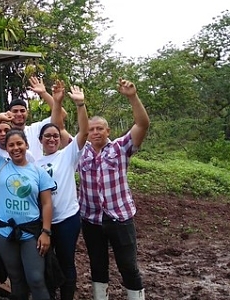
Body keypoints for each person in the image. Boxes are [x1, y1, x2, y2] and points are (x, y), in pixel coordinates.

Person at [79, 78, 150, 300]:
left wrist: (132, 96)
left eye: (100, 128)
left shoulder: (120, 148)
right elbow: (58, 127)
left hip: (119, 217)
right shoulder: (80, 151)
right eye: (91, 129)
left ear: (108, 130)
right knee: (97, 265)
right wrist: (75, 103)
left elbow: (142, 125)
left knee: (128, 265)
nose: (96, 132)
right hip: (91, 219)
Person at [0, 110, 56, 300]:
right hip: (4, 231)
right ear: (6, 147)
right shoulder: (0, 165)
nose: (15, 148)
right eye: (11, 145)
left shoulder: (39, 173)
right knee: (16, 278)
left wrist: (46, 232)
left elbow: (47, 204)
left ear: (26, 145)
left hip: (31, 231)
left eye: (19, 144)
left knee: (36, 278)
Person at [34, 82, 89, 300]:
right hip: (43, 221)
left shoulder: (68, 155)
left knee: (67, 261)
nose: (52, 139)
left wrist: (80, 105)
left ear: (61, 139)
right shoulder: (34, 162)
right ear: (40, 141)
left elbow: (84, 131)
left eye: (55, 136)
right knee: (45, 261)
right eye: (47, 136)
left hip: (67, 218)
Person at [6, 76, 68, 162]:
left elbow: (62, 114)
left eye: (22, 111)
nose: (19, 114)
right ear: (9, 113)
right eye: (15, 111)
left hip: (39, 173)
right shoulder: (4, 134)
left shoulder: (36, 129)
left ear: (27, 112)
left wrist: (44, 93)